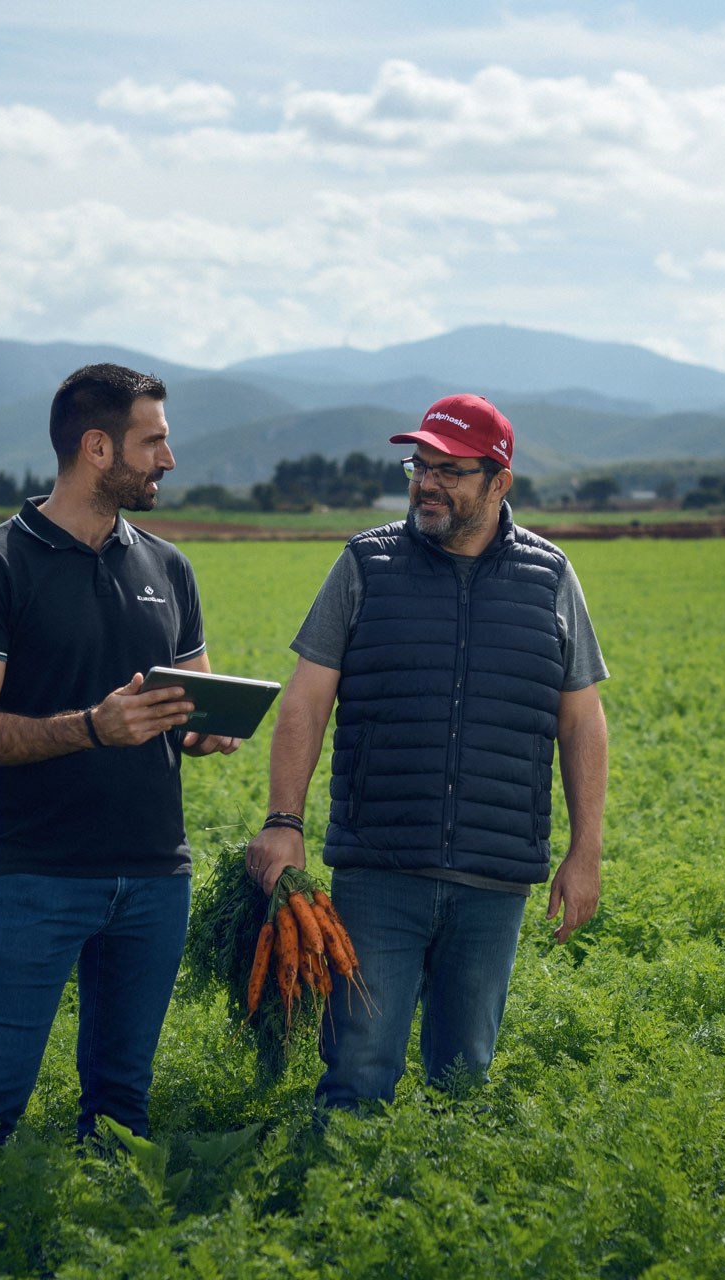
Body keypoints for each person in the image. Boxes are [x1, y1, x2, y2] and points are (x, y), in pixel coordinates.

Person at [245, 393, 609, 1112]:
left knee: (465, 1077)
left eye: (451, 469)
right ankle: (341, 1211)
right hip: (380, 872)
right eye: (420, 464)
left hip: (495, 878)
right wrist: (283, 818)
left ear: (499, 482)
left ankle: (442, 1211)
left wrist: (586, 850)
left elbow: (582, 722)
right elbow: (307, 699)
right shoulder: (366, 563)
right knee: (358, 1070)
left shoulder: (551, 577)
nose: (427, 482)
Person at [0, 362, 239, 1144]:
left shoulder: (169, 567)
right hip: (36, 874)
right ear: (97, 447)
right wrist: (90, 727)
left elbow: (191, 703)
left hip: (155, 877)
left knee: (121, 1111)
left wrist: (207, 727)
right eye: (154, 441)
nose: (168, 459)